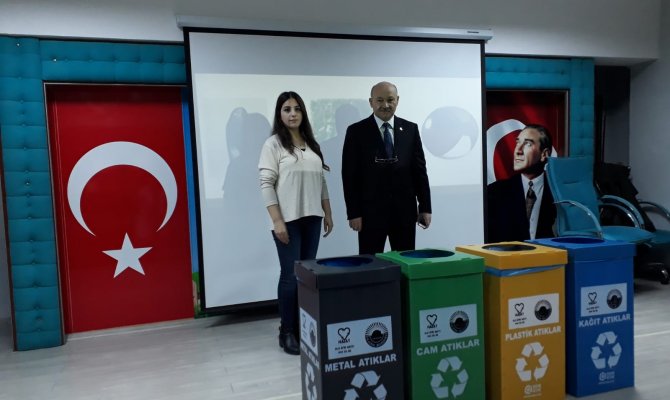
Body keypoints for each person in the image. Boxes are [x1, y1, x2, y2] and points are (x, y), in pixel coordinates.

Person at [258, 91, 333, 355]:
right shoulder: (273, 145)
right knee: (290, 277)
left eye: (297, 109)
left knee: (306, 277)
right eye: (287, 109)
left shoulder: (312, 144)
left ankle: (304, 328)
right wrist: (277, 220)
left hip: (312, 218)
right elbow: (266, 183)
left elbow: (321, 181)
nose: (293, 114)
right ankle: (286, 332)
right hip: (287, 221)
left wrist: (328, 212)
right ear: (280, 113)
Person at [342, 81, 431, 254]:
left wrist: (425, 207)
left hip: (404, 212)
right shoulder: (356, 131)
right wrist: (354, 213)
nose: (385, 105)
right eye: (379, 100)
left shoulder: (410, 129)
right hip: (369, 215)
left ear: (397, 100)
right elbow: (349, 176)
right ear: (371, 102)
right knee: (371, 267)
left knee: (406, 265)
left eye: (390, 100)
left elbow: (420, 171)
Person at [487, 124, 556, 243]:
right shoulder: (494, 192)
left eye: (528, 144)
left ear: (544, 154)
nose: (518, 151)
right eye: (518, 143)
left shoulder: (559, 193)